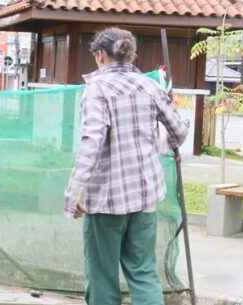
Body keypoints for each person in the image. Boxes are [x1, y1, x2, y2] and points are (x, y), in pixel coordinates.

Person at [64, 27, 189, 305]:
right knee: (143, 272)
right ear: (131, 55)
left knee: (102, 275)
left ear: (100, 56)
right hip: (145, 197)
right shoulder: (150, 86)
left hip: (107, 201)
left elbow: (91, 143)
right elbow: (178, 132)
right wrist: (164, 144)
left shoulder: (97, 89)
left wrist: (73, 193)